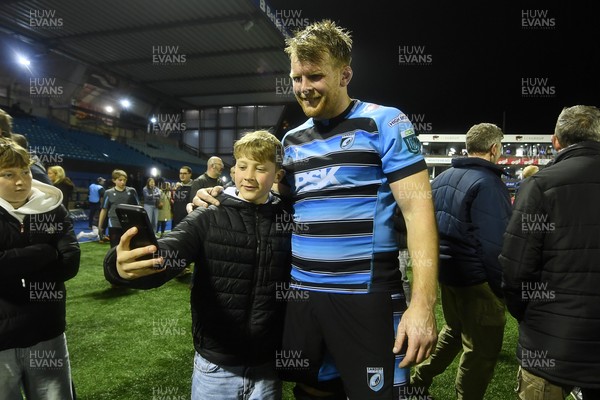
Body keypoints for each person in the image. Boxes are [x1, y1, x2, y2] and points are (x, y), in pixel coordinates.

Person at [193, 19, 439, 400]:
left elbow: (419, 214)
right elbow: (273, 204)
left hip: (366, 294)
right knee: (311, 390)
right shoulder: (291, 141)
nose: (304, 88)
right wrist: (218, 198)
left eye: (314, 76)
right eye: (296, 78)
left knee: (378, 394)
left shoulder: (386, 121)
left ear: (345, 74)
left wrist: (423, 304)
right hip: (302, 298)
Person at [103, 130, 291, 400]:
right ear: (233, 171)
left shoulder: (288, 219)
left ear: (277, 175)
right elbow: (169, 252)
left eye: (261, 168)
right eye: (242, 166)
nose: (249, 176)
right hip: (216, 366)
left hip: (267, 367)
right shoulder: (207, 214)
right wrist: (119, 266)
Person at [499, 105, 600, 400]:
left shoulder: (541, 184)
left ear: (556, 140)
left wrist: (526, 314)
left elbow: (515, 270)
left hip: (551, 340)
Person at [411, 123, 512, 399]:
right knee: (481, 350)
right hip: (477, 281)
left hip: (448, 274)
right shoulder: (489, 184)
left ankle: (418, 381)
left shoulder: (443, 177)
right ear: (494, 149)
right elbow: (494, 246)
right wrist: (501, 287)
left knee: (453, 332)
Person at [0, 137, 80, 399]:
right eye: (8, 174)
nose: (21, 181)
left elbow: (69, 262)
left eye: (24, 172)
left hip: (46, 329)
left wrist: (15, 272)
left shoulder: (53, 209)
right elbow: (56, 256)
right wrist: (45, 252)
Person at [97, 169, 139, 248]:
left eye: (124, 180)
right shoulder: (108, 193)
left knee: (128, 247)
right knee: (115, 248)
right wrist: (100, 226)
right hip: (114, 224)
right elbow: (104, 210)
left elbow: (138, 208)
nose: (123, 182)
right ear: (114, 180)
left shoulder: (132, 191)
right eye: (120, 180)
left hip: (128, 223)